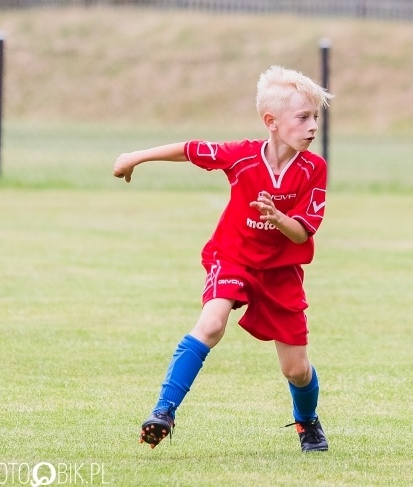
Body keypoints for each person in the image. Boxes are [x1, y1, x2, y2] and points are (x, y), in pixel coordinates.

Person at [113, 65, 333, 451]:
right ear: (272, 122)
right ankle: (163, 412)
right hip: (232, 258)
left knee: (296, 370)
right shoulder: (243, 157)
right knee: (211, 325)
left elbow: (302, 231)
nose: (313, 125)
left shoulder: (314, 169)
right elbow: (190, 150)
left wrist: (279, 218)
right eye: (303, 117)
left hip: (280, 273)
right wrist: (134, 157)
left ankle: (307, 422)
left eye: (315, 117)